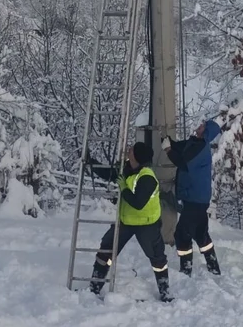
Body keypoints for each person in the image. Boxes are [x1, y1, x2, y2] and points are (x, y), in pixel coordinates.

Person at [89, 141, 171, 301]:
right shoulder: (128, 169)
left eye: (132, 150)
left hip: (147, 224)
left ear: (137, 156)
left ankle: (165, 291)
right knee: (106, 248)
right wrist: (91, 162)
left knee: (157, 257)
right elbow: (109, 173)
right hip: (126, 221)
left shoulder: (147, 177)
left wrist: (124, 188)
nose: (129, 150)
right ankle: (94, 287)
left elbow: (138, 203)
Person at [162, 119, 222, 276]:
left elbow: (183, 162)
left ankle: (186, 268)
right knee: (200, 233)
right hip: (197, 198)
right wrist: (170, 142)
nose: (199, 126)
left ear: (206, 131)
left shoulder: (201, 148)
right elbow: (181, 147)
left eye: (203, 125)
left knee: (182, 234)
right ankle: (213, 266)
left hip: (195, 198)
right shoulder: (195, 143)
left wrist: (168, 150)